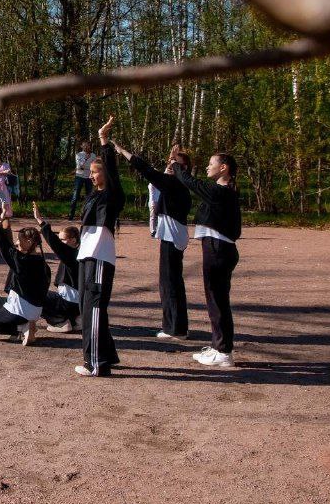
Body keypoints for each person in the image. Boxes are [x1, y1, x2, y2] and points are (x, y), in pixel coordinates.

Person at [113, 142, 193, 340]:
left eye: (174, 163)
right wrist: (171, 162)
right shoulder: (176, 184)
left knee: (169, 283)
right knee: (171, 282)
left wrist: (123, 151)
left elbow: (146, 169)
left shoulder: (175, 184)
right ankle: (176, 326)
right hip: (173, 237)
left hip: (172, 238)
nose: (170, 164)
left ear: (182, 169)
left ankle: (175, 329)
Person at [174, 152, 243, 368]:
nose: (207, 167)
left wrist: (177, 167)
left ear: (224, 168)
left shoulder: (220, 191)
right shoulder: (219, 192)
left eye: (211, 163)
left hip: (218, 250)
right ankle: (219, 346)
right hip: (217, 248)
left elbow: (191, 183)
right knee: (216, 300)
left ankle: (223, 351)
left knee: (217, 300)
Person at [74, 117, 124, 378]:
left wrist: (104, 141)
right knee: (87, 307)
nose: (91, 176)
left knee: (93, 308)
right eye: (91, 172)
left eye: (95, 172)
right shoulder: (94, 194)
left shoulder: (112, 195)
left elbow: (113, 174)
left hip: (100, 257)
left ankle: (95, 363)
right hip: (87, 255)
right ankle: (107, 355)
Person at [0, 221, 50, 345]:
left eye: (19, 240)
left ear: (29, 242)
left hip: (20, 310)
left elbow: (4, 246)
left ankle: (21, 329)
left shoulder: (22, 261)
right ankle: (26, 323)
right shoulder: (43, 263)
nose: (17, 243)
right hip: (34, 309)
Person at [38, 219, 82, 333]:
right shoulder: (82, 254)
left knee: (35, 294)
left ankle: (60, 323)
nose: (60, 242)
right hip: (79, 304)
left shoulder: (71, 254)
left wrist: (42, 224)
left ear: (73, 240)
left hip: (69, 304)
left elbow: (54, 243)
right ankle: (77, 320)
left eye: (63, 239)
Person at [70, 140, 95, 220]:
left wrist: (87, 167)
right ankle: (71, 215)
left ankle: (85, 215)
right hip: (79, 177)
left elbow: (93, 167)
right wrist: (86, 159)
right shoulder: (78, 155)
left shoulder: (93, 155)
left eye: (88, 145)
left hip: (88, 177)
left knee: (89, 197)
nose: (87, 147)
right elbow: (80, 166)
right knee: (75, 196)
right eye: (85, 145)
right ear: (82, 146)